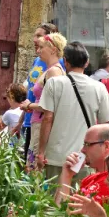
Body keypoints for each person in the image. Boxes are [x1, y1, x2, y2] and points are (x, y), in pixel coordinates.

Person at [33, 41, 109, 179]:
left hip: (56, 156)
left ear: (65, 61)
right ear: (87, 63)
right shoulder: (99, 87)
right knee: (82, 192)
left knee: (56, 192)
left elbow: (47, 118)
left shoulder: (54, 83)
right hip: (85, 156)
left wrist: (41, 152)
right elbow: (104, 126)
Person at [20, 31, 67, 166]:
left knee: (34, 166)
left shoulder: (54, 71)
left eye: (42, 47)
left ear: (53, 50)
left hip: (41, 124)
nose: (38, 51)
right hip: (38, 122)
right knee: (31, 165)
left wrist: (29, 105)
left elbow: (52, 105)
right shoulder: (51, 70)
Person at [60, 123, 109, 208]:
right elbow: (62, 212)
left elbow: (64, 212)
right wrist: (67, 176)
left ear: (106, 146)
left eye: (87, 144)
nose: (82, 150)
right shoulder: (89, 180)